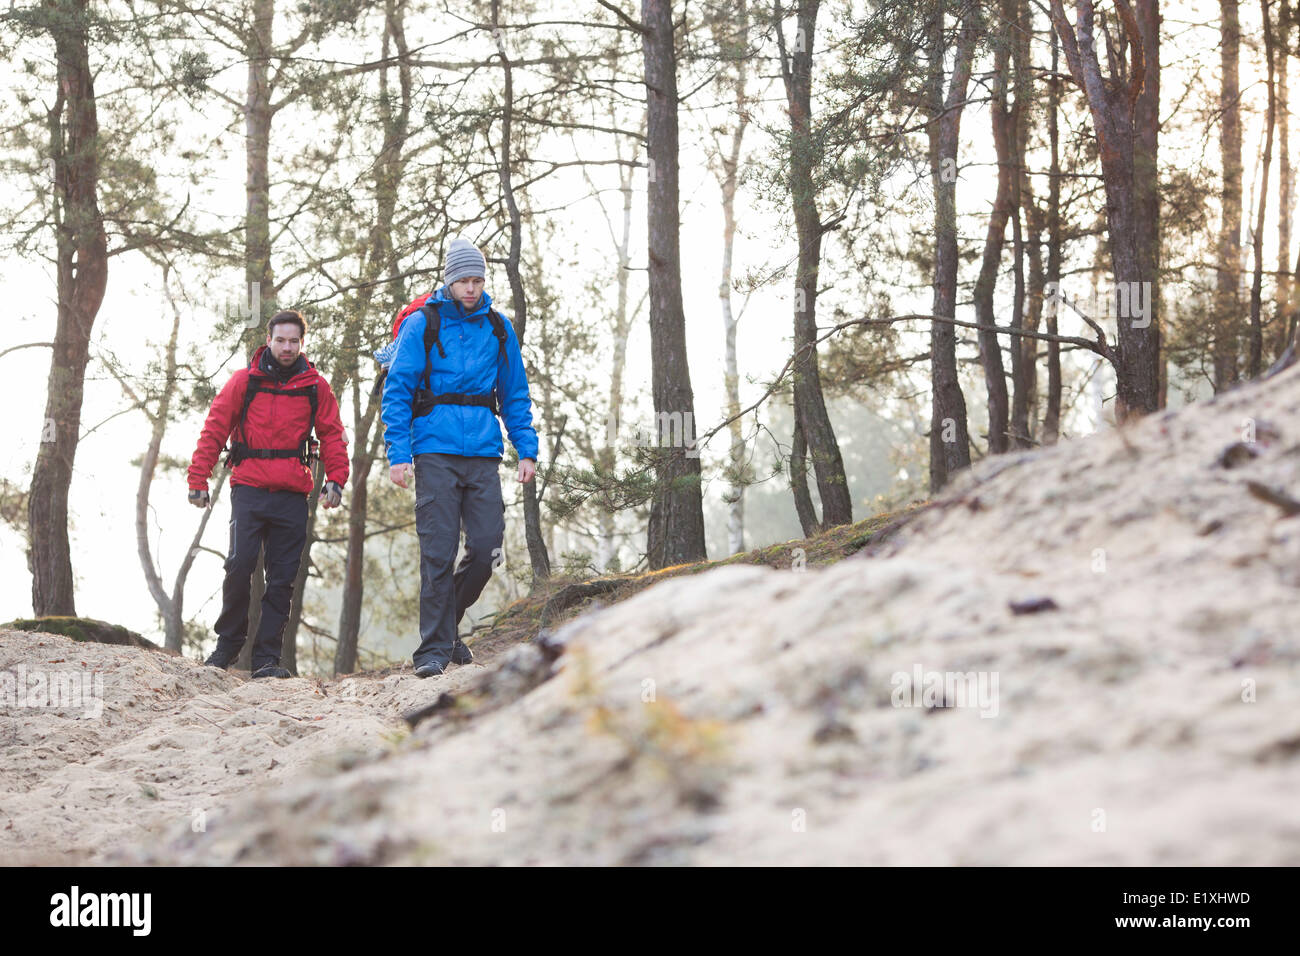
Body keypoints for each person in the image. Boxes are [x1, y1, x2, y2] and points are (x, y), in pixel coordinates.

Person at [381, 237, 538, 677]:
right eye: (463, 280)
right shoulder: (422, 325)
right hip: (434, 451)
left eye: (477, 280)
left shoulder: (498, 327)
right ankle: (432, 651)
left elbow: (515, 394)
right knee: (438, 550)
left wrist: (526, 449)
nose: (470, 288)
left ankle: (446, 627)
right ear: (449, 280)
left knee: (488, 548)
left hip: (484, 452)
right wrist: (399, 453)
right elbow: (397, 391)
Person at [187, 309, 350, 678]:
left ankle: (265, 660)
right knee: (239, 565)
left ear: (302, 343)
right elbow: (214, 427)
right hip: (249, 488)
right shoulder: (244, 381)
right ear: (269, 341)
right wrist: (198, 478)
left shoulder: (314, 386)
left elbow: (333, 435)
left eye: (294, 341)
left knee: (281, 579)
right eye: (281, 340)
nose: (287, 347)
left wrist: (336, 480)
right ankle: (227, 646)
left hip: (293, 495)